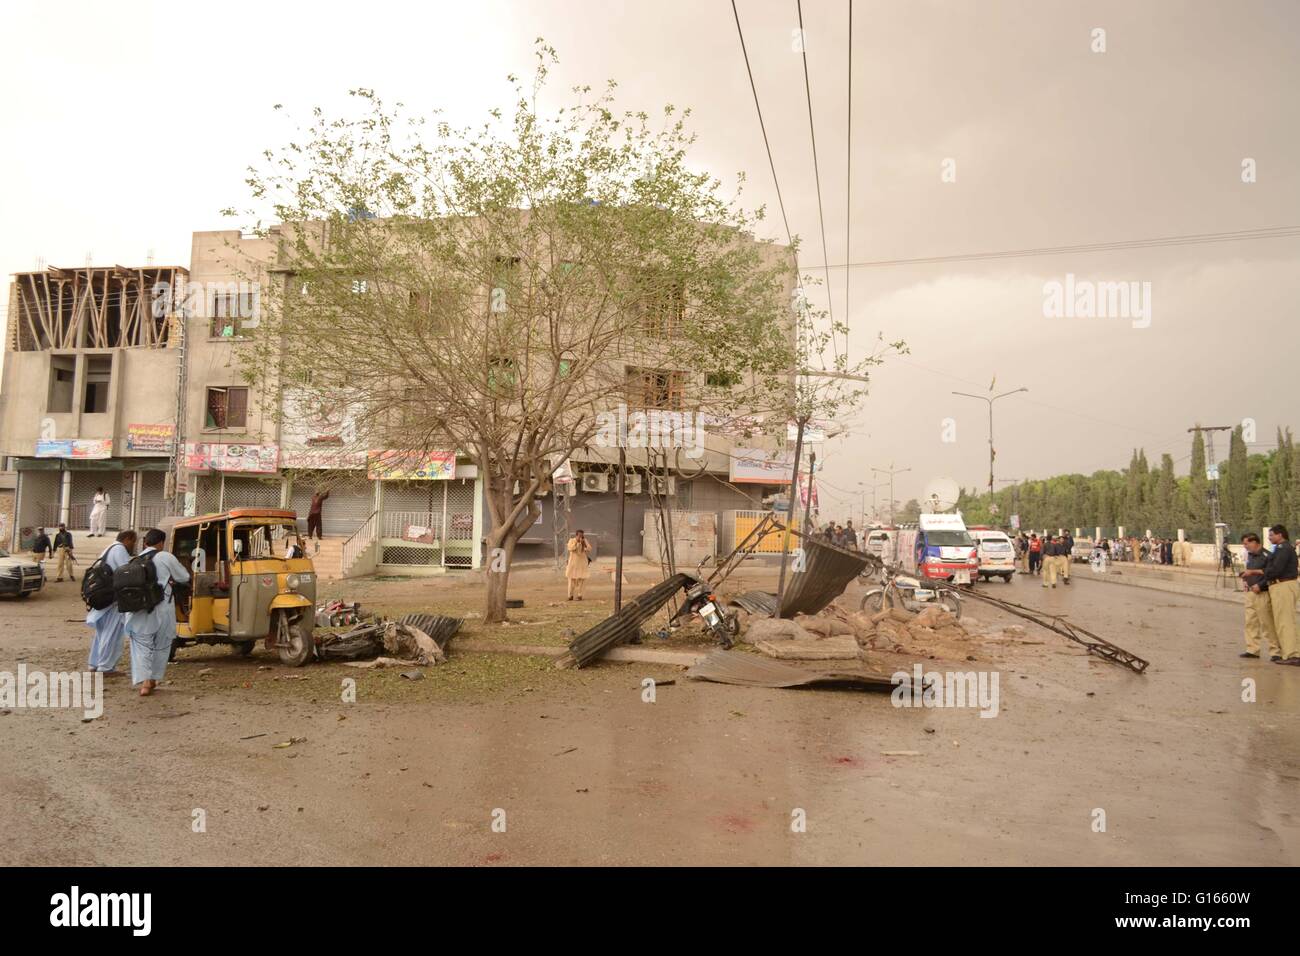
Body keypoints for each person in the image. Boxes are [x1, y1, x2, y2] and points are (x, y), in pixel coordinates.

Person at [123, 528, 191, 696]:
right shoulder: (166, 557)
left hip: (138, 610)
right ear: (161, 543)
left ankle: (144, 682)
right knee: (162, 644)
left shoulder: (135, 560)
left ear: (145, 543)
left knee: (141, 645)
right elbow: (184, 577)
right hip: (162, 608)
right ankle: (151, 679)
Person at [1243, 525, 1299, 665]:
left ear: (1280, 535)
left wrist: (1257, 574)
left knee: (1284, 622)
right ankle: (1289, 654)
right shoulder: (1280, 549)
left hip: (1283, 585)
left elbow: (1275, 570)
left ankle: (1292, 654)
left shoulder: (1283, 549)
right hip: (1278, 586)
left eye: (1271, 535)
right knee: (1281, 622)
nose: (1269, 538)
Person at [85, 530, 137, 675]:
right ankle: (105, 667)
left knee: (101, 633)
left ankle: (94, 663)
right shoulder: (120, 549)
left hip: (102, 596)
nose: (133, 545)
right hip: (112, 599)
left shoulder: (108, 549)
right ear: (127, 539)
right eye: (133, 542)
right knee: (112, 634)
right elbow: (127, 572)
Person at [1238, 533, 1279, 661]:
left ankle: (1275, 651)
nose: (1245, 547)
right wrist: (1245, 580)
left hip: (1261, 593)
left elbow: (1270, 574)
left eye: (1246, 543)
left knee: (1267, 624)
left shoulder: (1267, 556)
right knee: (1250, 622)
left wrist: (1260, 586)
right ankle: (1252, 649)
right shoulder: (1250, 556)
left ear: (1255, 542)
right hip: (1250, 593)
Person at [565, 529, 592, 601]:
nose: (581, 536)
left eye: (582, 535)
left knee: (581, 580)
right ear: (576, 535)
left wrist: (584, 544)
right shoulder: (571, 540)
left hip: (582, 563)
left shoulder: (584, 540)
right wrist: (577, 542)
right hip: (573, 564)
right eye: (579, 535)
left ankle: (580, 595)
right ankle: (570, 596)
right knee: (571, 580)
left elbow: (589, 549)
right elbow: (571, 548)